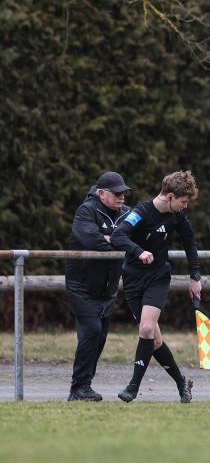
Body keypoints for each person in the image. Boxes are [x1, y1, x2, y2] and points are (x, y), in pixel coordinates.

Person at [111, 170, 202, 403]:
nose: (184, 207)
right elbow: (118, 236)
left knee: (146, 330)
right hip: (132, 280)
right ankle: (182, 381)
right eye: (182, 202)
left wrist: (195, 277)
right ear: (170, 196)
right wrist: (138, 251)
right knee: (155, 340)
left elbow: (190, 243)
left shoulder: (177, 216)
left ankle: (132, 387)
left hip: (158, 278)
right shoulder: (140, 213)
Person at [64, 171, 132, 401]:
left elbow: (137, 239)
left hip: (108, 289)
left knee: (100, 336)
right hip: (81, 286)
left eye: (124, 192)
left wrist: (112, 240)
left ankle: (84, 387)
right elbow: (91, 240)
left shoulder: (126, 213)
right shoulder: (86, 210)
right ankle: (78, 388)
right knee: (91, 331)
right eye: (116, 193)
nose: (121, 197)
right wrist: (120, 242)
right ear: (101, 193)